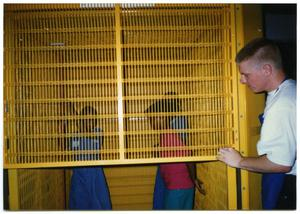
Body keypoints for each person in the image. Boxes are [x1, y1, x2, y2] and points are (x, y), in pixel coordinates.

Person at [217, 38, 296, 209]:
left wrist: (239, 161)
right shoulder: (289, 89)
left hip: (288, 188)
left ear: (267, 69)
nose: (242, 81)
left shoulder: (282, 104)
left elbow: (281, 163)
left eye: (246, 74)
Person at [146, 99, 199, 210]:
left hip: (179, 187)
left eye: (151, 119)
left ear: (161, 117)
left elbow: (189, 157)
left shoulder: (170, 135)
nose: (150, 123)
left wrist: (194, 179)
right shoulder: (165, 135)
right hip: (177, 186)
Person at [69, 106, 112, 210]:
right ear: (82, 120)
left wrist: (75, 117)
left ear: (96, 121)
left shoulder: (98, 132)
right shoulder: (76, 135)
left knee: (99, 203)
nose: (89, 122)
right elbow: (65, 145)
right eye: (86, 119)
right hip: (79, 173)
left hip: (95, 173)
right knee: (79, 203)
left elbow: (89, 135)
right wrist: (64, 123)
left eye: (92, 119)